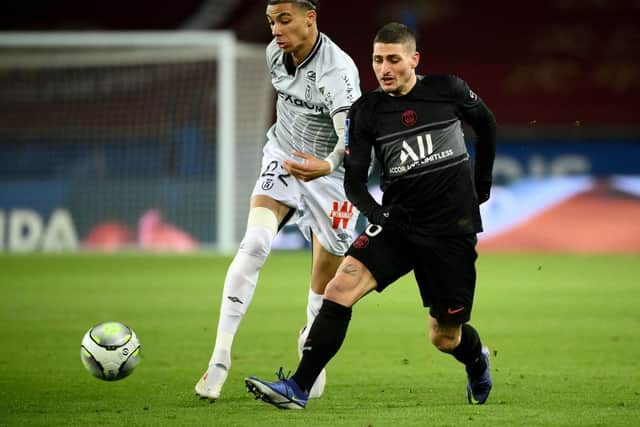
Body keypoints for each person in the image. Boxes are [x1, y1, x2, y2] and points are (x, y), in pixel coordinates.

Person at [245, 22, 497, 409]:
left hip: (451, 230)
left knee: (444, 336)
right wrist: (377, 214)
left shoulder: (448, 90)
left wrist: (482, 184)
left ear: (414, 60)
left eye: (393, 59)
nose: (384, 69)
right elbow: (355, 182)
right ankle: (298, 387)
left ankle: (476, 360)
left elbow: (487, 124)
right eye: (377, 60)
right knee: (340, 286)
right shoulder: (367, 111)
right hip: (398, 223)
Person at [195, 0, 361, 401]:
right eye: (271, 22)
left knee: (324, 284)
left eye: (284, 20)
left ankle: (310, 343)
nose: (276, 30)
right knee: (254, 244)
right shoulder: (275, 54)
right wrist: (296, 159)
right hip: (284, 156)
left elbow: (351, 138)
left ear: (311, 18)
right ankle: (219, 358)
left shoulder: (339, 70)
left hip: (332, 176)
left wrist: (325, 164)